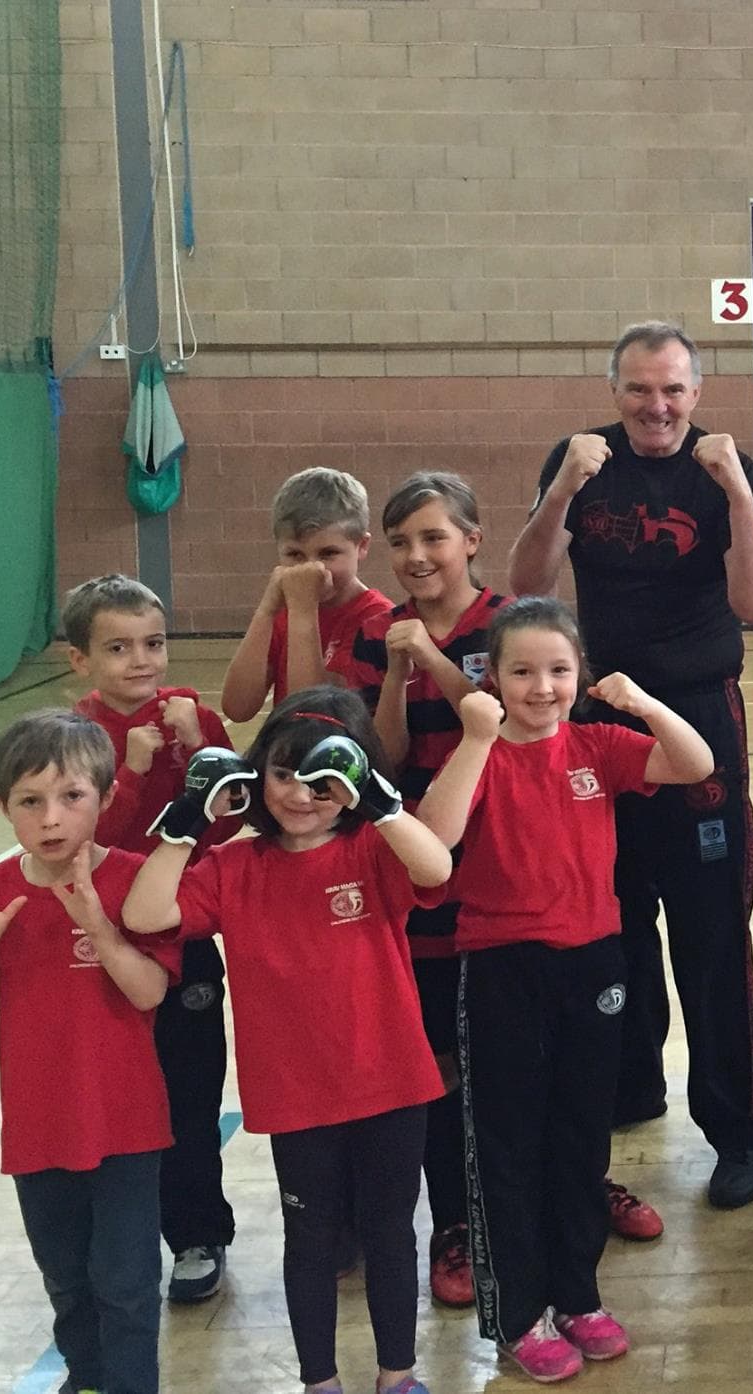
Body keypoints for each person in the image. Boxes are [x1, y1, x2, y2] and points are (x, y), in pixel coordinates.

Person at [507, 321, 753, 1208]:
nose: (655, 406)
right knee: (610, 921)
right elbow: (529, 585)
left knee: (709, 937)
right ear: (614, 389)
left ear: (697, 392)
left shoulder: (719, 469)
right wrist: (562, 491)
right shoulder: (580, 461)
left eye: (671, 390)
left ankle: (738, 1132)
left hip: (699, 714)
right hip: (597, 717)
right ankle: (631, 1089)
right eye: (637, 389)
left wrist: (737, 489)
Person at [124, 688, 454, 1394]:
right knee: (311, 1241)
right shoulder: (236, 869)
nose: (301, 795)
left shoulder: (373, 849)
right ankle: (319, 1383)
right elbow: (146, 912)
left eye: (323, 780)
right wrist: (189, 820)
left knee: (393, 1235)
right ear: (255, 775)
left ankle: (398, 1376)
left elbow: (437, 869)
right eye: (283, 774)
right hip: (297, 1095)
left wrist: (380, 800)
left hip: (392, 1080)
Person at [417, 598, 714, 1383]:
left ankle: (577, 1295)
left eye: (558, 670)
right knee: (507, 1143)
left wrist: (644, 701)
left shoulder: (598, 746)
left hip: (594, 962)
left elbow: (695, 763)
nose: (542, 687)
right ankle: (518, 1314)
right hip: (501, 967)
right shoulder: (477, 751)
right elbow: (435, 839)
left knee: (581, 1137)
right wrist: (477, 737)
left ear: (580, 674)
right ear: (492, 678)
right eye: (522, 671)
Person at [0, 711, 182, 1394]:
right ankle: (87, 1377)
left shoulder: (135, 879)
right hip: (37, 1125)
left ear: (106, 798)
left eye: (71, 796)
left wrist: (100, 931)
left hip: (127, 1124)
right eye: (30, 801)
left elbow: (149, 994)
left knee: (127, 1280)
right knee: (67, 1278)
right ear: (2, 807)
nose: (51, 818)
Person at [333, 472, 503, 1309]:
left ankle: (553, 1195)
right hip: (422, 879)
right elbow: (386, 760)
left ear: (473, 538)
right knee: (437, 1057)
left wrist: (429, 656)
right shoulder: (377, 638)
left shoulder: (508, 623)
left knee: (513, 1051)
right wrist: (398, 673)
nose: (416, 556)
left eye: (434, 537)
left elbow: (499, 725)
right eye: (400, 542)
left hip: (505, 871)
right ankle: (454, 1225)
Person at [63, 575, 238, 1304]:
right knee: (116, 1095)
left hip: (185, 933)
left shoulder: (194, 716)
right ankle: (116, 1231)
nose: (141, 661)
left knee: (191, 1092)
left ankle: (199, 1233)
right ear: (81, 660)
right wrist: (131, 772)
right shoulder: (74, 735)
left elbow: (232, 830)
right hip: (103, 944)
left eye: (154, 644)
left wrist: (203, 758)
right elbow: (76, 842)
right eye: (118, 648)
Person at [222, 467, 394, 723]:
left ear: (362, 546)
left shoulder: (377, 619)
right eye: (295, 555)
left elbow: (316, 717)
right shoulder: (283, 612)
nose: (311, 568)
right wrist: (266, 611)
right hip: (290, 755)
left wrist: (303, 610)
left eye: (328, 554)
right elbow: (237, 708)